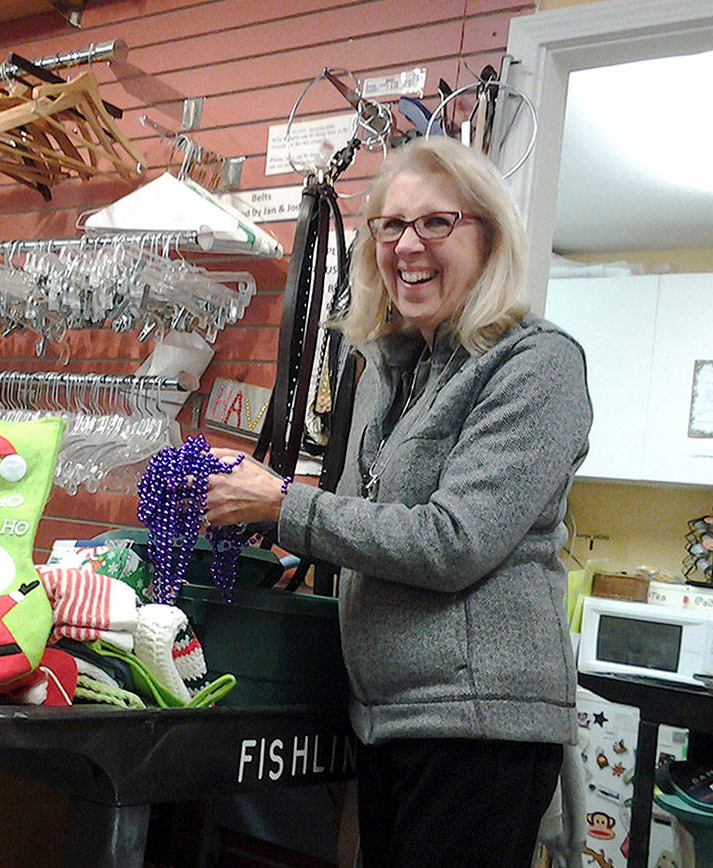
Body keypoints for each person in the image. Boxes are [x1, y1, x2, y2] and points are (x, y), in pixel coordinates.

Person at [203, 136, 591, 867]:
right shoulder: (386, 369)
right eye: (391, 225)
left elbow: (453, 541)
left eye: (436, 223)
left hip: (478, 733)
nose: (408, 245)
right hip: (388, 719)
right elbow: (372, 528)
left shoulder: (537, 363)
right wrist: (263, 522)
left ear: (489, 236)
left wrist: (284, 504)